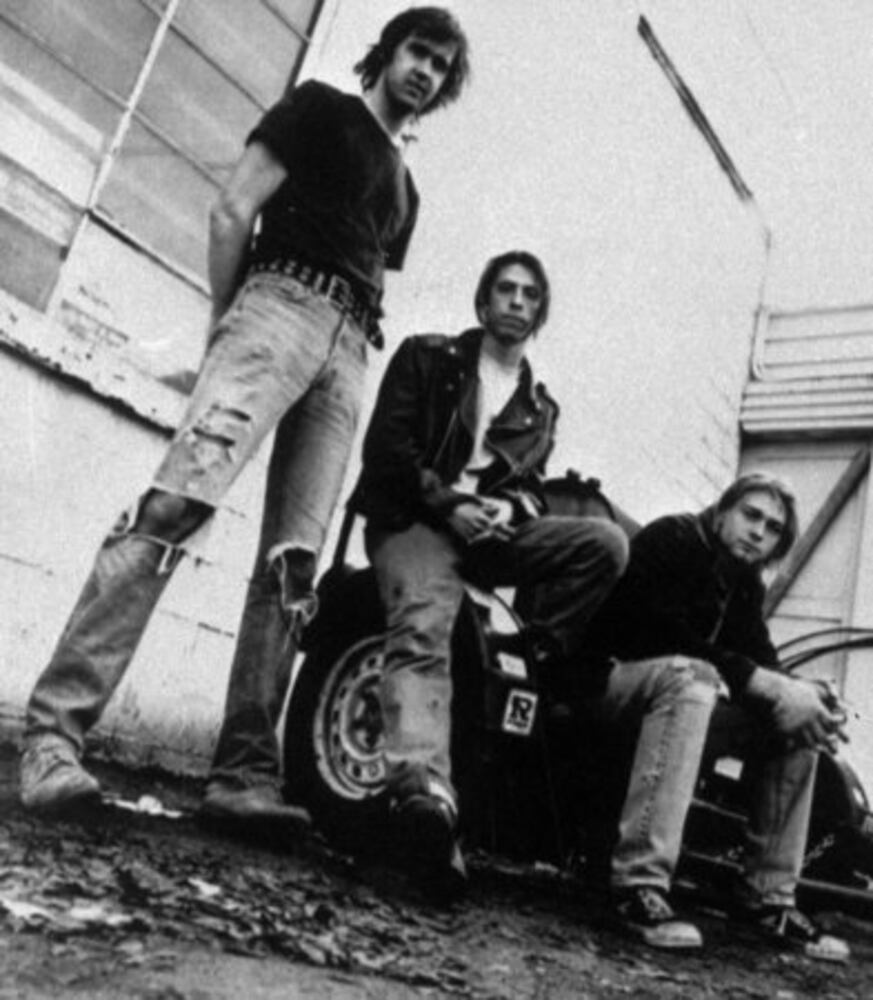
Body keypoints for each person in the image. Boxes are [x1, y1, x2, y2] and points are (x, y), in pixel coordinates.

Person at [20, 7, 471, 825]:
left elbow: (369, 264)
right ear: (388, 50)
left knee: (293, 567)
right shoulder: (319, 109)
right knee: (175, 507)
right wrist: (227, 322)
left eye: (441, 67)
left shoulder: (406, 191)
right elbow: (232, 209)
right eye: (418, 52)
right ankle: (52, 738)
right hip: (277, 305)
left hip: (351, 345)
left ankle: (242, 777)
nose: (426, 73)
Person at [350, 250, 629, 889]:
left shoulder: (540, 407)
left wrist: (510, 507)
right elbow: (388, 451)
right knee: (422, 631)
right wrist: (451, 504)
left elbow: (530, 488)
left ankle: (543, 653)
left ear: (540, 313)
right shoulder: (427, 357)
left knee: (605, 544)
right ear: (483, 301)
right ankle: (423, 795)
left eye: (530, 295)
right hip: (415, 519)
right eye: (505, 289)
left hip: (486, 536)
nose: (517, 302)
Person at [581, 472, 850, 960]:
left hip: (676, 705)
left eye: (772, 528)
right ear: (724, 510)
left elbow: (760, 658)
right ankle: (637, 884)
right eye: (751, 515)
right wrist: (760, 680)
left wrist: (804, 694)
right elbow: (658, 632)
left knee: (797, 720)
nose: (758, 532)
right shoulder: (673, 538)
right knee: (694, 675)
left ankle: (769, 898)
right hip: (603, 685)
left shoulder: (743, 582)